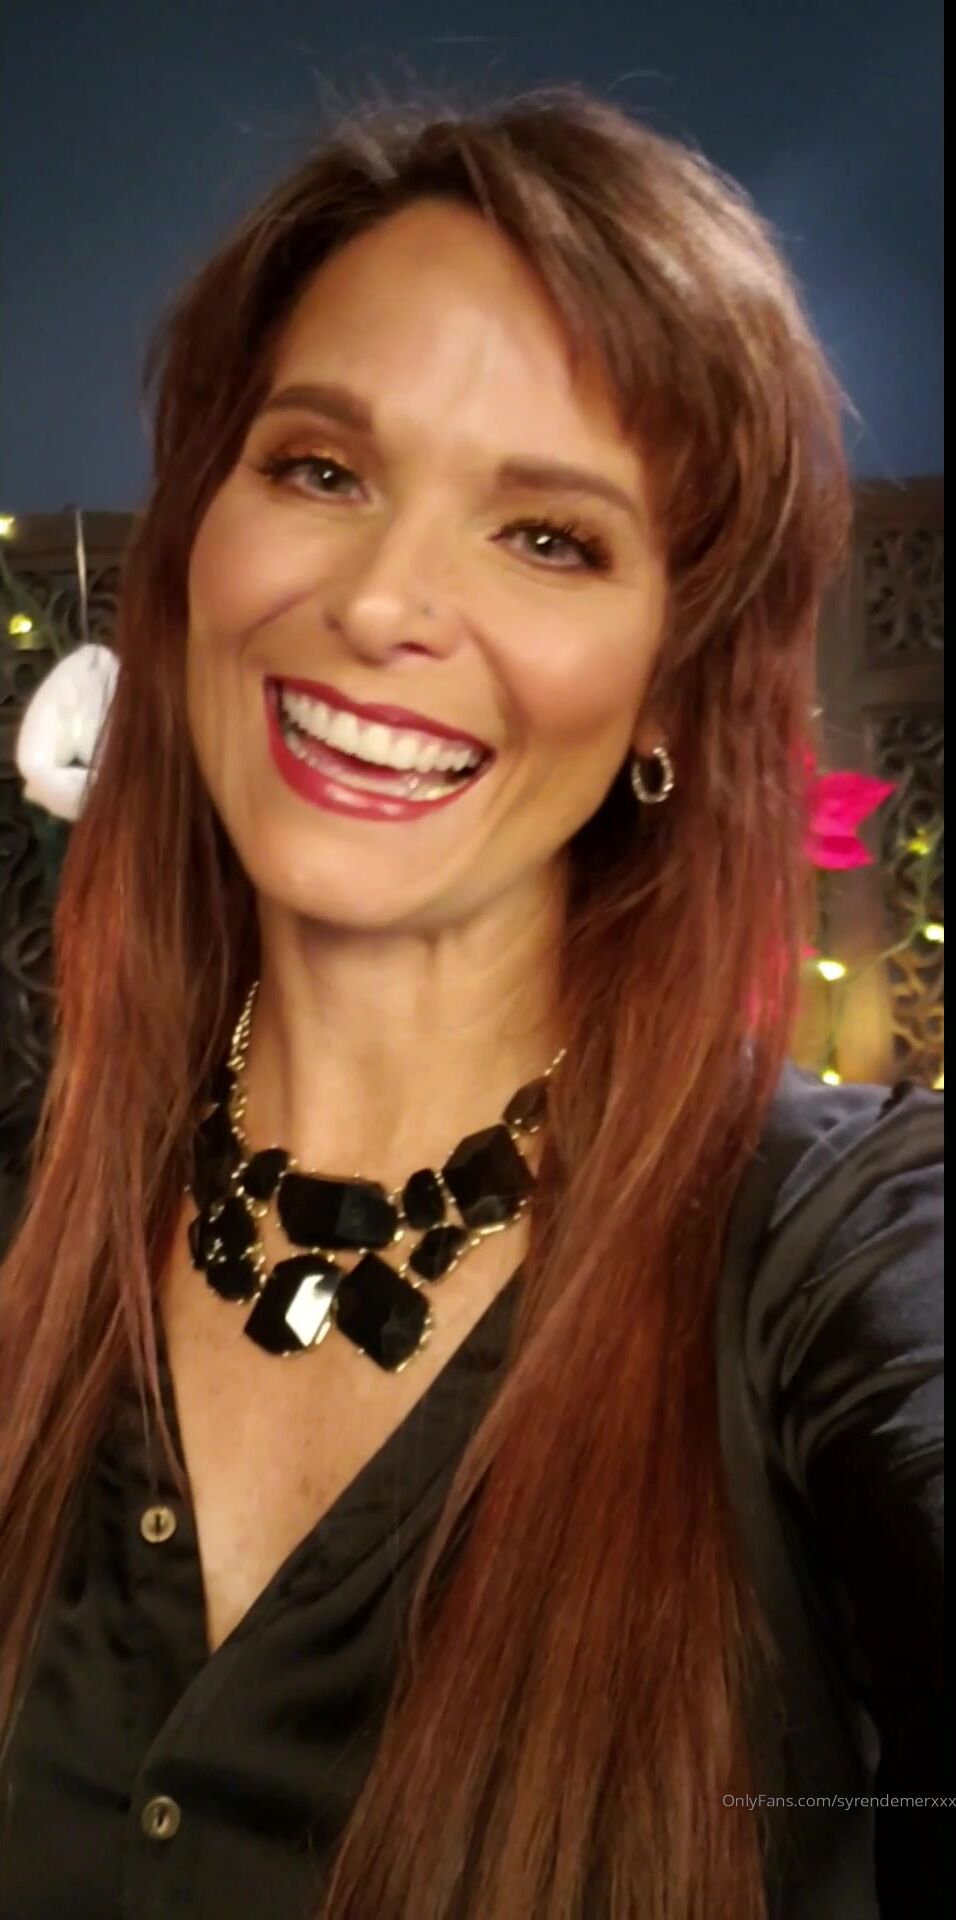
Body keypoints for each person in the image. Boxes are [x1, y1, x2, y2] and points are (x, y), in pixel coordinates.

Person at [0, 85, 943, 1920]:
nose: (382, 604)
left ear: (671, 685)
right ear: (196, 541)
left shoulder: (834, 1264)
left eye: (550, 538)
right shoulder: (33, 1198)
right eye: (320, 471)